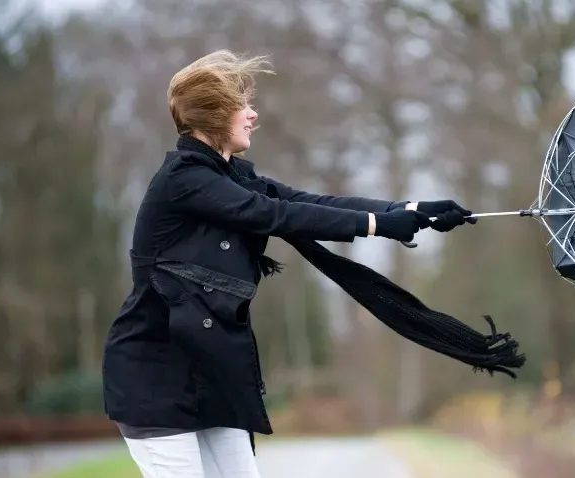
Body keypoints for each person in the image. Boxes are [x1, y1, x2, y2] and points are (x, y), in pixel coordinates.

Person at [100, 50, 479, 477]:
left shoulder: (231, 175)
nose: (253, 114)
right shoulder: (184, 179)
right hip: (155, 376)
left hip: (210, 373)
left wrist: (412, 208)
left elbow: (306, 202)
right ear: (214, 113)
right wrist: (380, 226)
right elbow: (274, 215)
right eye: (242, 105)